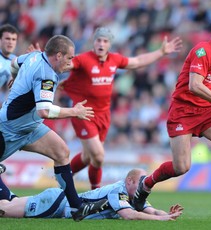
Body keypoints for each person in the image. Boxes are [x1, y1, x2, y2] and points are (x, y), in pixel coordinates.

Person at [133, 18, 211, 213]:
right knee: (181, 167)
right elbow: (195, 86)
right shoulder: (203, 51)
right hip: (183, 112)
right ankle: (146, 185)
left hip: (205, 112)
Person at [0, 35, 109, 221]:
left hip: (30, 128)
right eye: (69, 57)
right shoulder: (46, 74)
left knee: (62, 152)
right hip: (9, 130)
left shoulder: (33, 56)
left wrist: (15, 78)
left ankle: (77, 208)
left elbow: (14, 64)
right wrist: (74, 111)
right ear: (58, 55)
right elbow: (44, 111)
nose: (71, 62)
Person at [60, 27, 183, 190]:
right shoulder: (83, 59)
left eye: (105, 41)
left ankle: (63, 177)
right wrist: (45, 59)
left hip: (104, 114)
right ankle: (95, 192)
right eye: (98, 40)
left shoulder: (114, 59)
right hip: (83, 113)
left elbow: (138, 61)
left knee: (88, 156)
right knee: (98, 155)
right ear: (93, 42)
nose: (101, 44)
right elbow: (66, 65)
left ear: (110, 44)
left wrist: (161, 52)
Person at [0, 168, 183, 221]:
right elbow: (129, 215)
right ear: (129, 181)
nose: (142, 188)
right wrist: (161, 220)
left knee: (10, 201)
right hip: (56, 204)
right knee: (4, 210)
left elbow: (149, 211)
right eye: (139, 184)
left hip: (58, 201)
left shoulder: (134, 196)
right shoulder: (118, 190)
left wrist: (166, 214)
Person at [0, 24, 18, 89]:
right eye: (7, 39)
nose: (10, 42)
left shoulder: (16, 61)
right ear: (0, 40)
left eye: (13, 39)